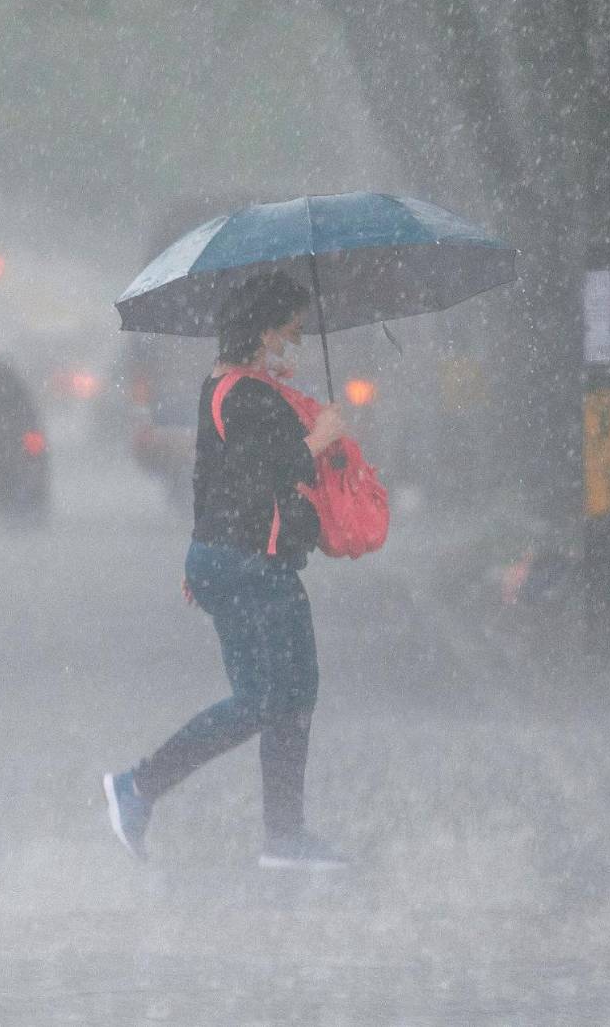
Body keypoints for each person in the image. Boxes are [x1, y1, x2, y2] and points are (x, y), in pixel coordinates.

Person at [103, 270, 350, 869]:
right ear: (265, 327)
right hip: (253, 564)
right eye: (290, 324)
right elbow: (265, 472)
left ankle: (150, 794)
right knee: (282, 696)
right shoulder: (247, 396)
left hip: (225, 558)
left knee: (267, 698)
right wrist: (321, 436)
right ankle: (154, 791)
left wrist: (201, 553)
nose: (297, 333)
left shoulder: (225, 386)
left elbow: (209, 477)